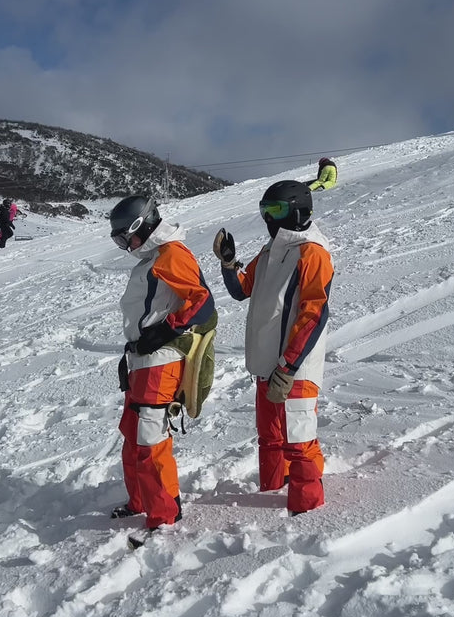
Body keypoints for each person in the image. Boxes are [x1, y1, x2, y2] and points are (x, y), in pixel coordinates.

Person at [213, 180, 334, 515]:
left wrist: (290, 366)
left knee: (299, 442)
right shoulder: (271, 250)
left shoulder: (312, 253)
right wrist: (228, 263)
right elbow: (243, 288)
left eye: (277, 210)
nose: (269, 218)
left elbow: (314, 314)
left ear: (298, 210)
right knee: (270, 440)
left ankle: (307, 511)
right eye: (265, 210)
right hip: (268, 367)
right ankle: (270, 495)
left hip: (295, 369)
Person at [109, 194, 216, 530]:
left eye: (126, 237)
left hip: (161, 359)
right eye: (119, 240)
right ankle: (140, 501)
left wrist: (166, 331)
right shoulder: (153, 255)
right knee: (133, 433)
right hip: (143, 358)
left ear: (144, 224)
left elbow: (203, 302)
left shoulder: (171, 253)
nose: (126, 245)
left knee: (150, 436)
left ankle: (165, 513)